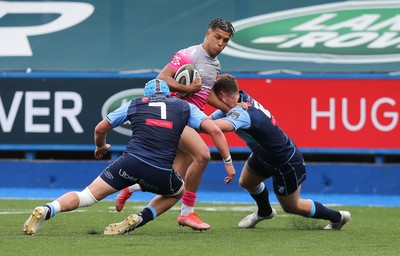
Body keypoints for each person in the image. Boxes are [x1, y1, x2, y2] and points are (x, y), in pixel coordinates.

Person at [23, 79, 235, 236]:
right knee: (177, 192)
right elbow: (215, 131)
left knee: (86, 196)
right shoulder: (184, 106)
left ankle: (48, 208)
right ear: (169, 94)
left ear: (147, 94)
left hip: (129, 163)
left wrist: (101, 147)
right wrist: (228, 163)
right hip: (160, 171)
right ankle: (139, 219)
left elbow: (100, 128)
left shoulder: (135, 103)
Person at [115, 18, 235, 230]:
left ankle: (132, 193)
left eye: (225, 40)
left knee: (172, 182)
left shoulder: (215, 64)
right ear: (207, 33)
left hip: (189, 119)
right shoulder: (189, 55)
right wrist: (187, 90)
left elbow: (205, 94)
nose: (221, 44)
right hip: (175, 116)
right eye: (218, 37)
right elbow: (162, 79)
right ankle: (187, 213)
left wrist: (230, 109)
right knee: (203, 155)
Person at [209, 74, 351, 230]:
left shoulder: (243, 114)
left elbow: (212, 127)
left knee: (292, 206)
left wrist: (185, 116)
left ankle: (338, 217)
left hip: (284, 162)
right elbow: (208, 120)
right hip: (263, 154)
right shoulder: (238, 100)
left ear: (222, 95)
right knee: (247, 182)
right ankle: (265, 211)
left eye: (214, 98)